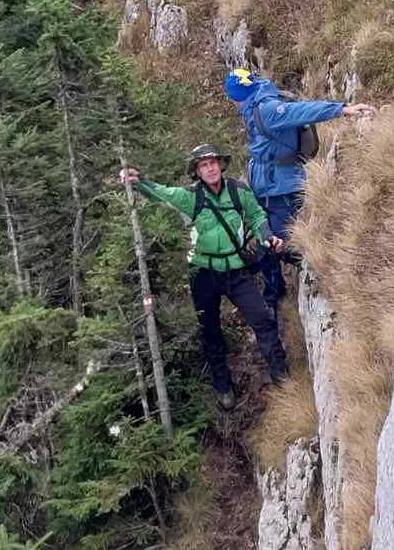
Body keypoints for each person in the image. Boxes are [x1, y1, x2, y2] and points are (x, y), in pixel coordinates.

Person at [120, 144, 289, 409]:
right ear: (197, 172)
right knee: (210, 331)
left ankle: (281, 377)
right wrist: (138, 181)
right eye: (203, 165)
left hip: (236, 269)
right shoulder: (190, 197)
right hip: (203, 273)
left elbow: (257, 216)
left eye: (213, 163)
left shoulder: (238, 191)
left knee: (262, 319)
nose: (210, 169)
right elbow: (162, 194)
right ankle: (223, 387)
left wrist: (267, 237)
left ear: (221, 165)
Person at [224, 69, 374, 312]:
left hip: (281, 189)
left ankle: (296, 278)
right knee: (266, 241)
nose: (232, 103)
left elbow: (303, 111)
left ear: (239, 95)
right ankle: (278, 283)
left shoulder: (266, 109)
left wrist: (342, 109)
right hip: (266, 186)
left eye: (233, 97)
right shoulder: (254, 103)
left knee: (276, 244)